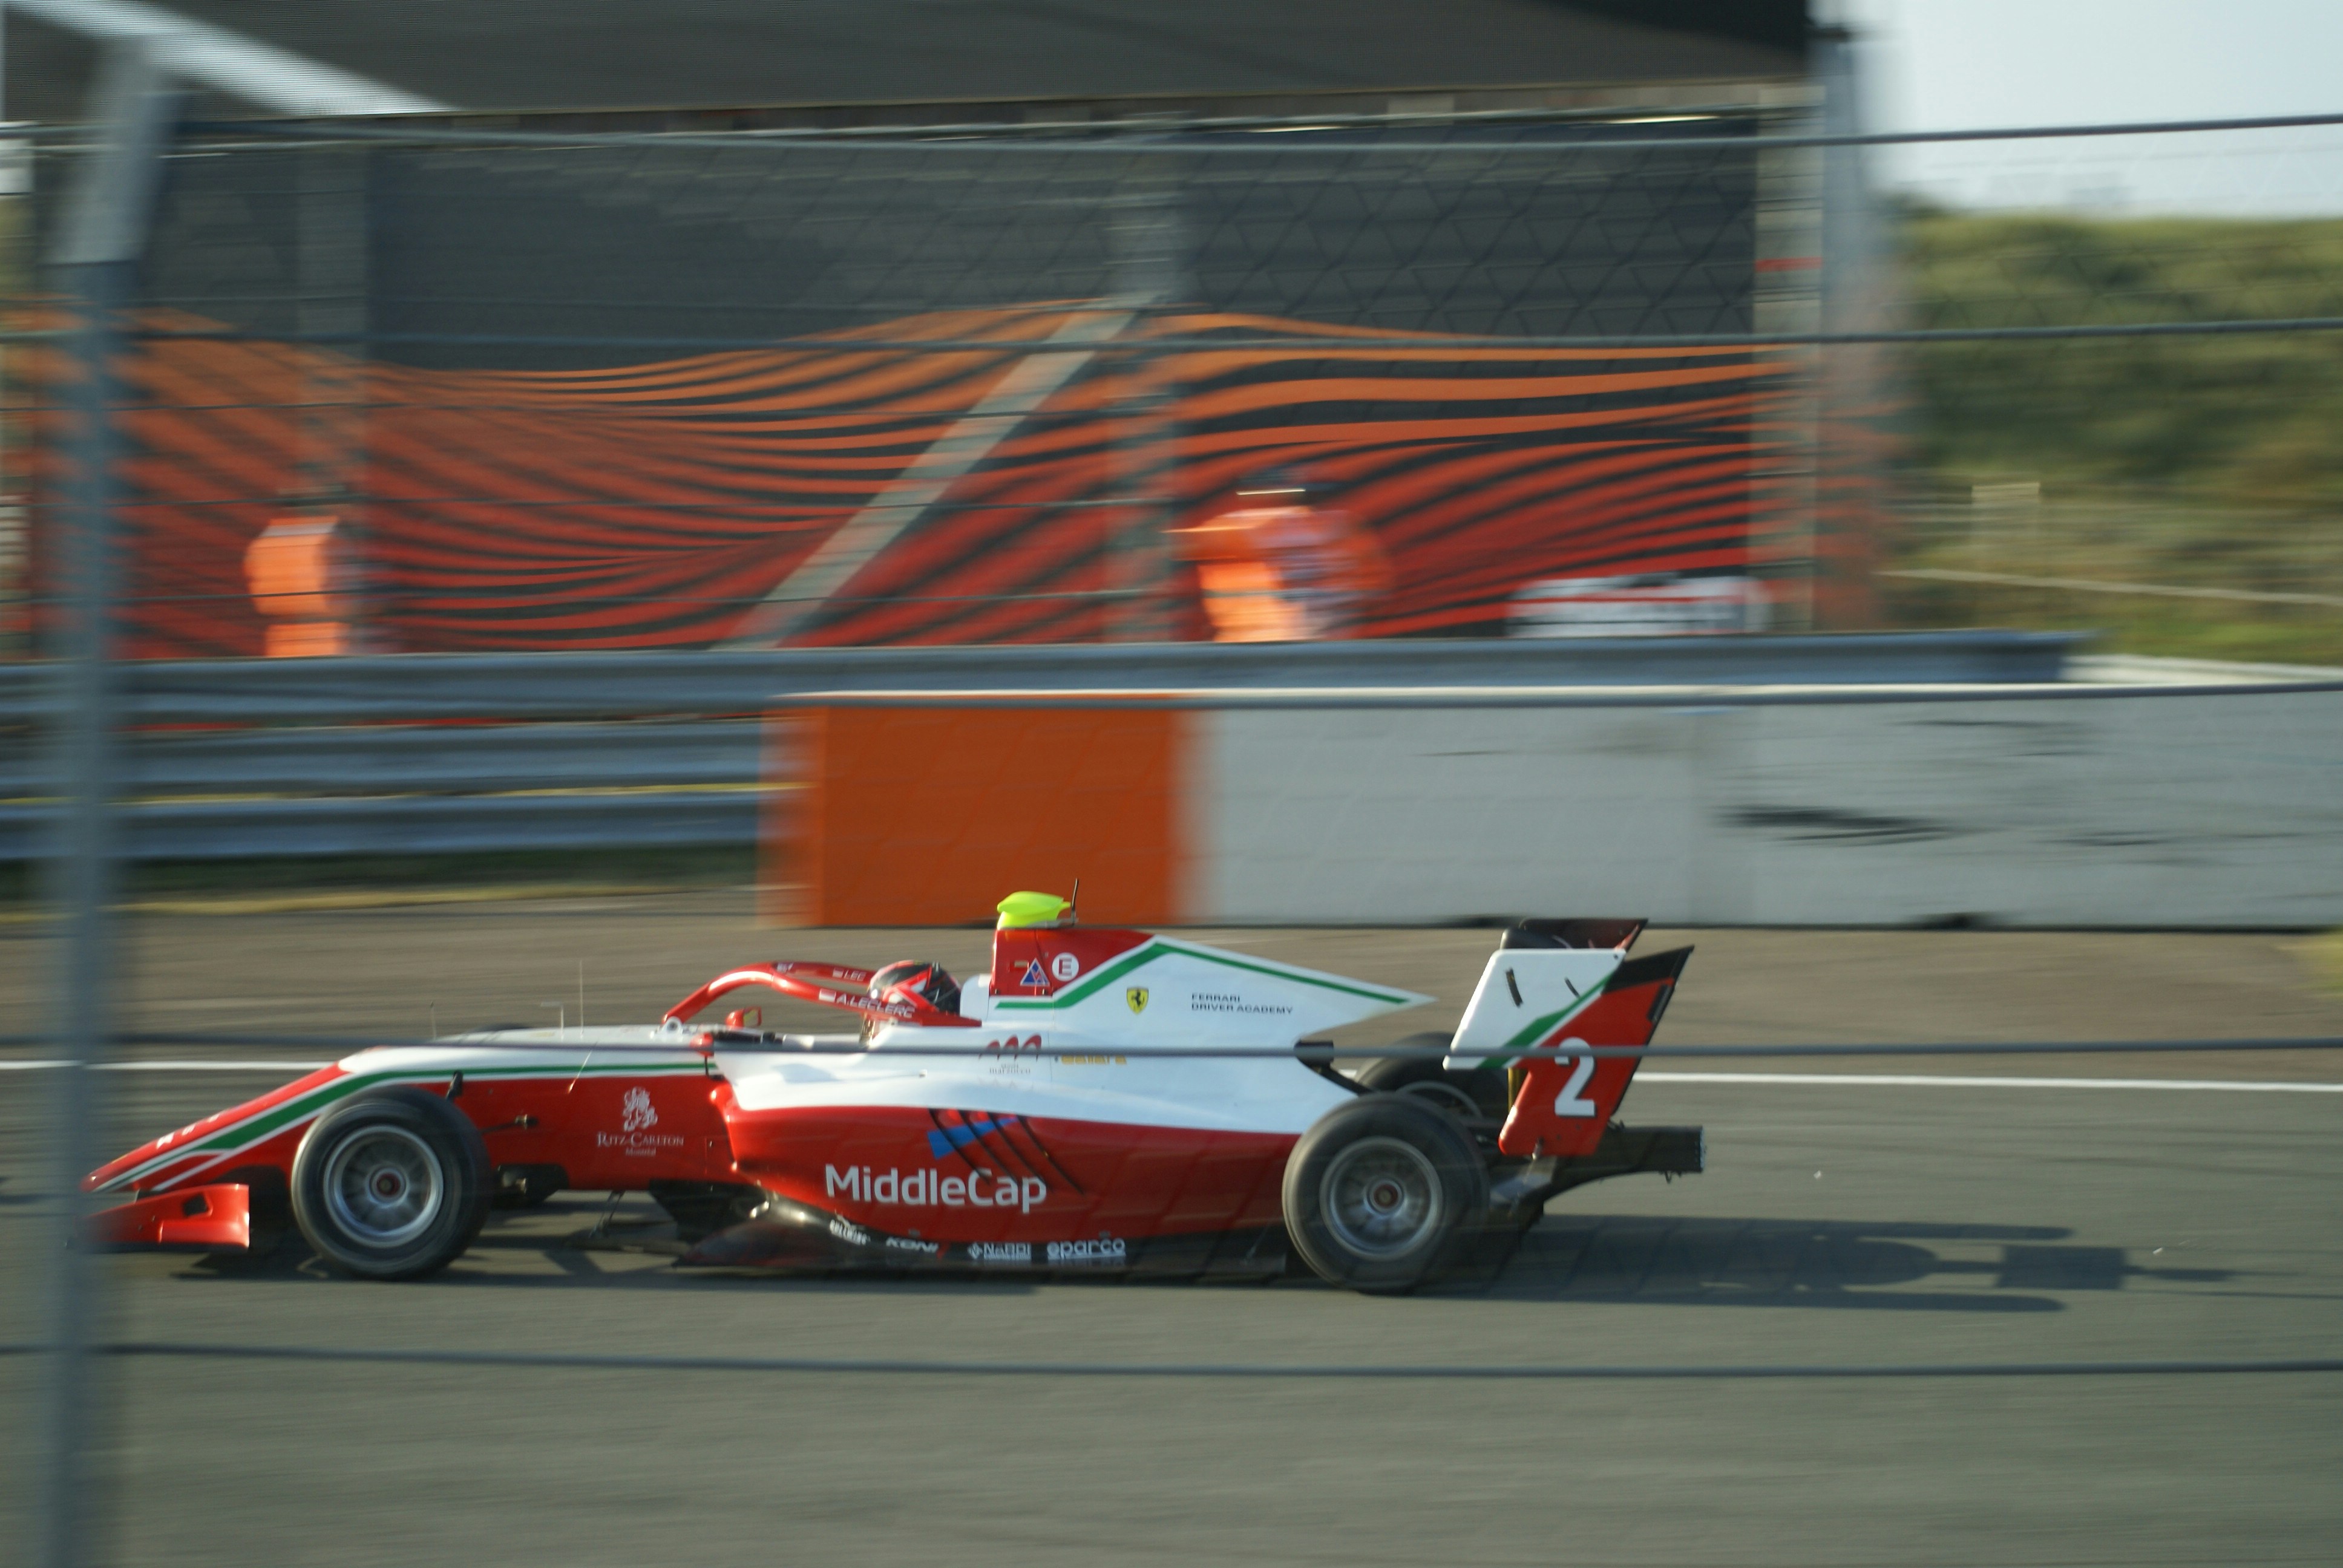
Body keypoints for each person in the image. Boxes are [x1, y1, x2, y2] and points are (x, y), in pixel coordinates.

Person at [1172, 468, 1391, 641]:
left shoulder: (1235, 527)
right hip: (1314, 647)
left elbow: (1173, 547)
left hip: (1257, 649)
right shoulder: (1337, 525)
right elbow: (1374, 590)